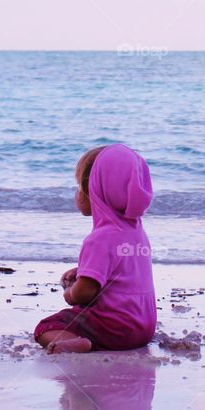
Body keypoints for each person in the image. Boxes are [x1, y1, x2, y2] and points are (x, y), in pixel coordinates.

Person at [34, 143, 157, 354]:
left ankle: (79, 343)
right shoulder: (136, 231)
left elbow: (85, 294)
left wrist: (70, 293)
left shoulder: (99, 239)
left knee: (46, 327)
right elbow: (122, 272)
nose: (77, 195)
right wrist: (83, 271)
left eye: (81, 189)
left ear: (95, 193)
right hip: (144, 328)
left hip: (115, 329)